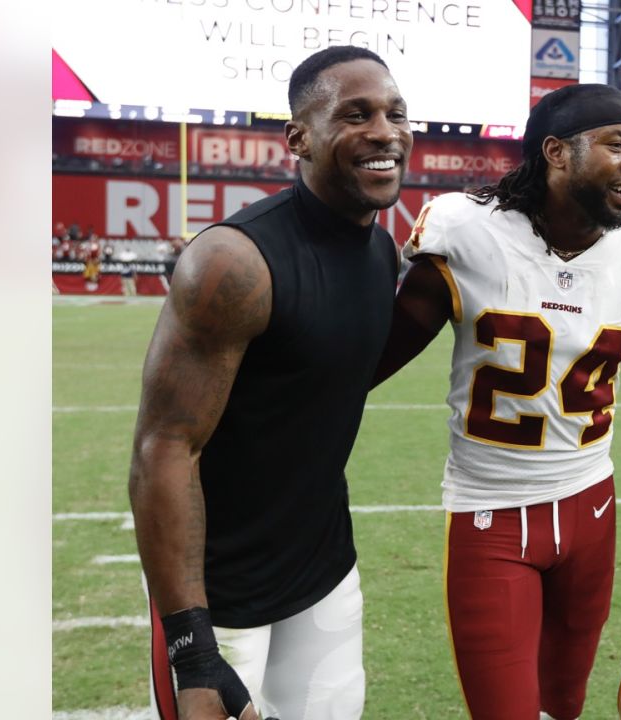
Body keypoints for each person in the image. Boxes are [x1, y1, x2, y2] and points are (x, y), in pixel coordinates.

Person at [371, 83, 621, 720]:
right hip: (490, 516)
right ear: (557, 153)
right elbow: (369, 363)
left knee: (564, 707)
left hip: (592, 510)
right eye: (617, 145)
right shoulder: (467, 232)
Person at [128, 45, 412, 720]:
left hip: (324, 571)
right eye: (356, 114)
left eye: (396, 113)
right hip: (220, 594)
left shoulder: (380, 248)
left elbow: (332, 376)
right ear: (298, 137)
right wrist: (192, 649)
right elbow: (162, 452)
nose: (385, 131)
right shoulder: (233, 263)